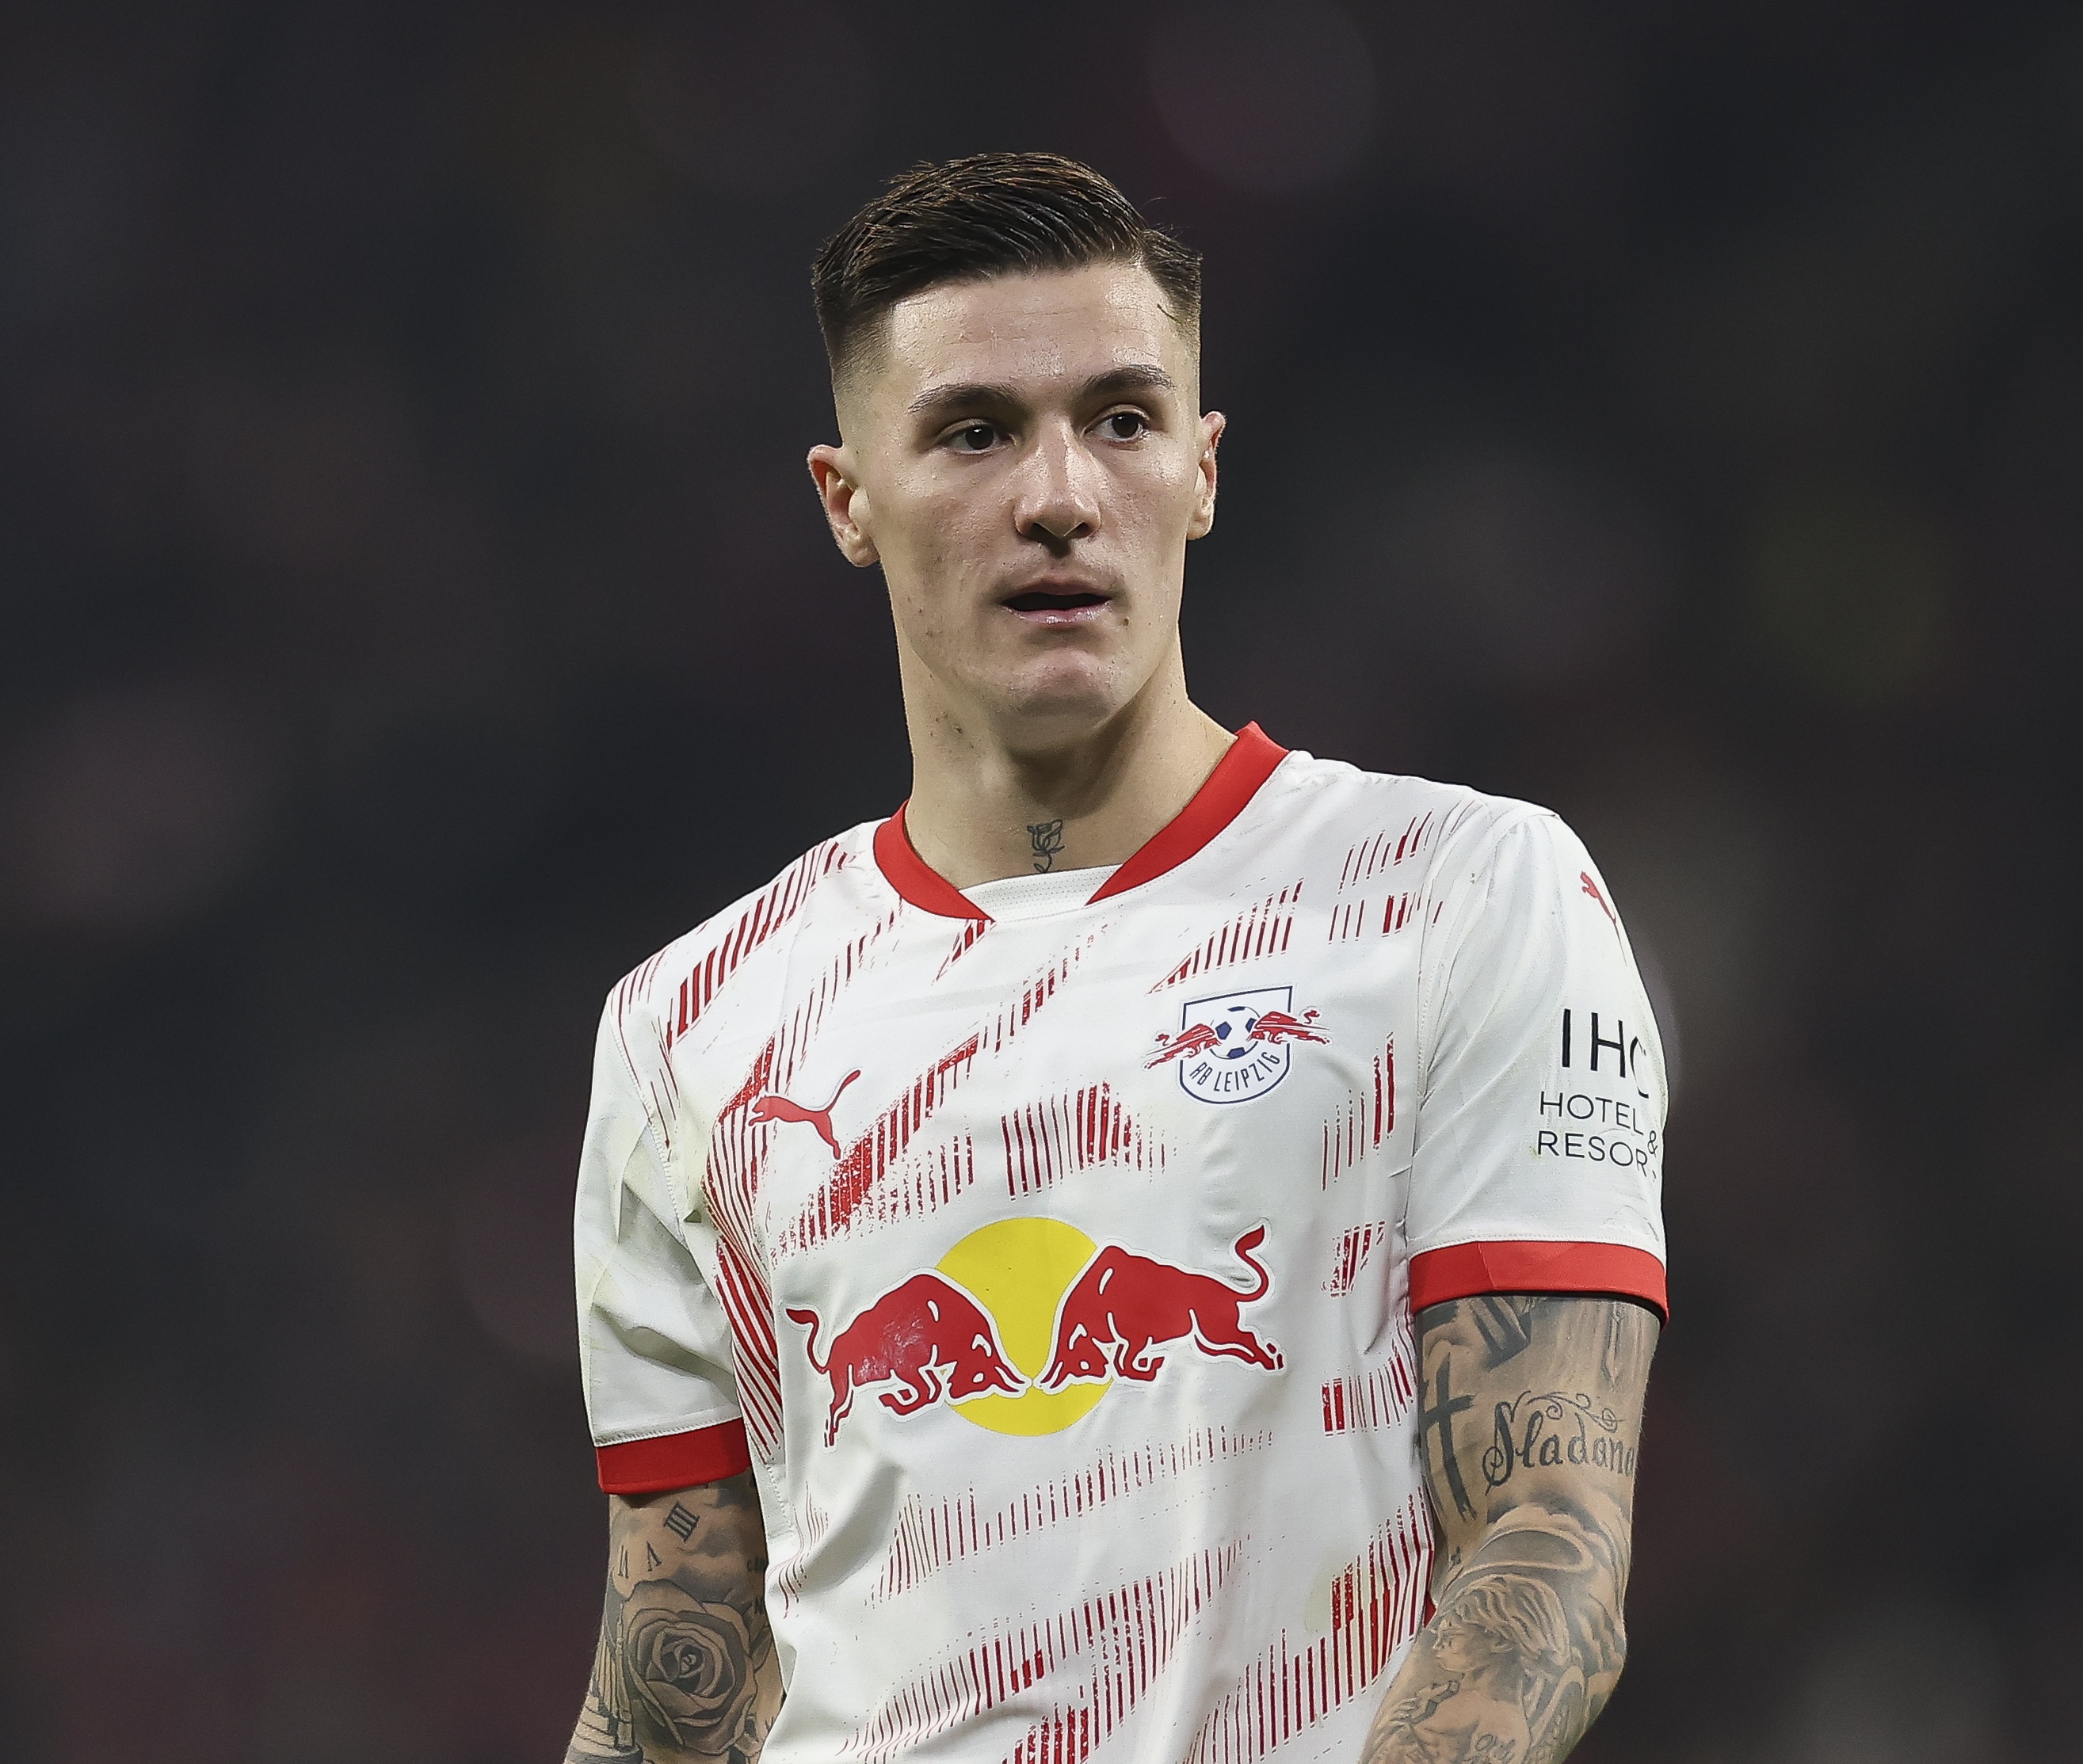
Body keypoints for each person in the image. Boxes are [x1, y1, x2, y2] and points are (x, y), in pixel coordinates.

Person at [565, 152, 1668, 1764]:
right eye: (972, 432)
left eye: (1123, 420)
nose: (1060, 493)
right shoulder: (688, 1026)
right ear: (843, 499)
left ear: (1203, 471)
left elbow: (1545, 1543)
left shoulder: (1459, 896)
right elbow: (680, 1670)